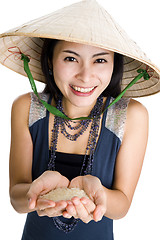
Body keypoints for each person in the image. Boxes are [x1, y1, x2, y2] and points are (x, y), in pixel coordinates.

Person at [0, 0, 159, 239]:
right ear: (51, 61)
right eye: (71, 59)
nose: (85, 76)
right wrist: (36, 191)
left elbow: (122, 205)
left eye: (100, 60)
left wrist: (100, 196)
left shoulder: (131, 115)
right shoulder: (27, 107)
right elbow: (17, 198)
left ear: (114, 65)